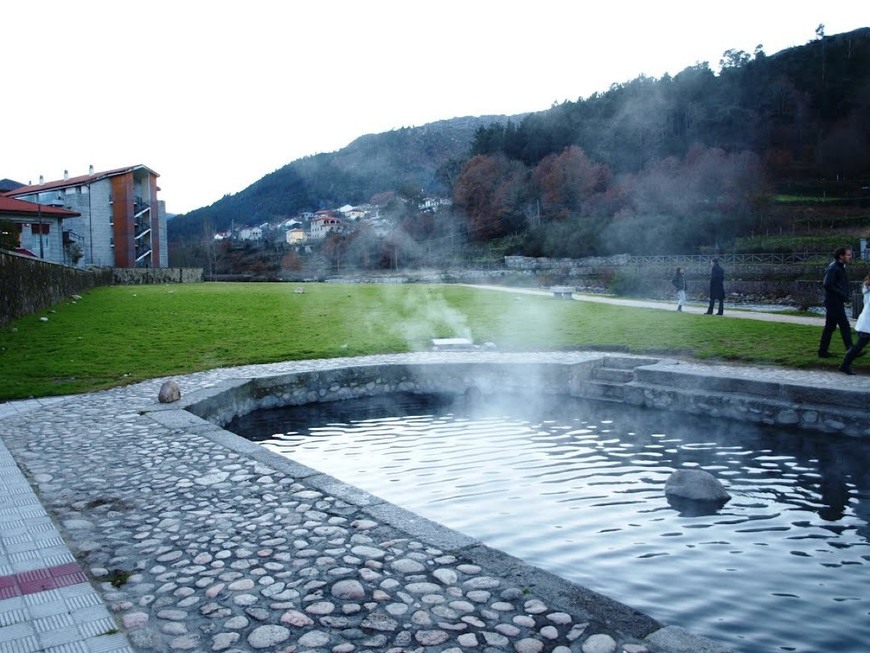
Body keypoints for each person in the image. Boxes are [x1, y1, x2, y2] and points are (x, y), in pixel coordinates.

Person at [818, 246, 855, 358]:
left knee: (830, 327)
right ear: (841, 256)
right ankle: (850, 350)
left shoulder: (838, 267)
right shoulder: (834, 268)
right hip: (834, 301)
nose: (850, 257)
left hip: (833, 301)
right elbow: (827, 284)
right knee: (844, 325)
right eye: (848, 255)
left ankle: (822, 352)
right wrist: (842, 295)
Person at [839, 273, 870, 374]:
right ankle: (844, 365)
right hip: (867, 323)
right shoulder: (868, 288)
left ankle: (845, 365)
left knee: (858, 346)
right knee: (858, 346)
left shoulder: (866, 287)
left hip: (866, 322)